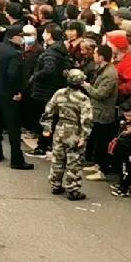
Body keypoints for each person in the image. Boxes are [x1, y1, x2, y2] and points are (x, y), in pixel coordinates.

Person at [0, 25, 35, 170]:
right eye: (20, 36)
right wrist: (16, 92)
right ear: (13, 37)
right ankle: (17, 160)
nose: (22, 39)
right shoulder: (14, 54)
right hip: (9, 95)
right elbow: (12, 74)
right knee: (14, 129)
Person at [42, 67, 92, 200]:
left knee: (58, 158)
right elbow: (87, 119)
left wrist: (47, 128)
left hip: (60, 129)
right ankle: (73, 189)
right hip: (74, 131)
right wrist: (84, 136)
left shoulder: (59, 93)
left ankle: (55, 185)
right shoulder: (83, 99)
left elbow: (48, 110)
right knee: (73, 161)